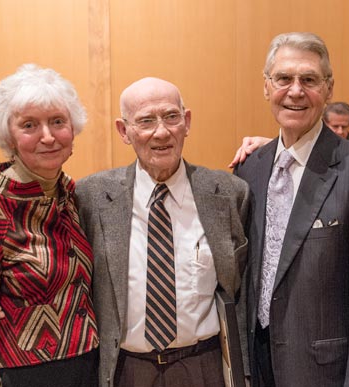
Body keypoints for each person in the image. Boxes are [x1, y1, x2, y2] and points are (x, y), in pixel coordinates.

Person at [233, 32, 349, 387]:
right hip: (258, 365)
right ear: (266, 86)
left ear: (329, 88)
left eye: (309, 80)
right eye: (283, 79)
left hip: (324, 371)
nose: (295, 91)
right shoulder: (250, 168)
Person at [75, 77, 249, 387]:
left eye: (171, 116)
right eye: (145, 121)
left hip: (204, 367)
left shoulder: (228, 194)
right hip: (126, 369)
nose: (162, 132)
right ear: (123, 131)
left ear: (187, 122)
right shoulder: (92, 196)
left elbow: (245, 288)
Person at [0, 64, 99, 387]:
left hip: (87, 368)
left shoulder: (71, 196)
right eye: (29, 125)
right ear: (10, 138)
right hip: (24, 377)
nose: (48, 136)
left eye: (57, 122)